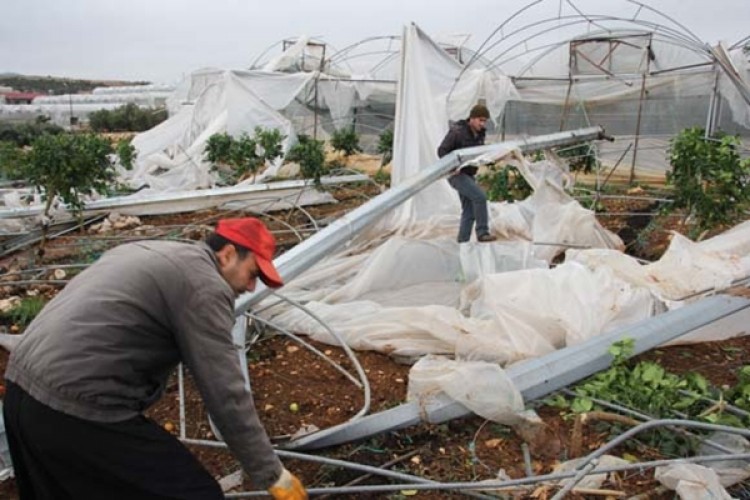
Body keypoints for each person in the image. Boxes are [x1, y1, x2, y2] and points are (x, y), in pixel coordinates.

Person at [3, 217, 307, 500]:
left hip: (21, 393)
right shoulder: (204, 286)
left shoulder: (151, 251)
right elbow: (226, 393)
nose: (251, 287)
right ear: (227, 254)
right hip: (74, 408)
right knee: (194, 493)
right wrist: (272, 474)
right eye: (253, 274)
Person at [437, 103, 498, 243]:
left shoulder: (480, 134)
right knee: (480, 197)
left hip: (469, 174)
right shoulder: (457, 132)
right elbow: (442, 150)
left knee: (469, 210)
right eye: (480, 120)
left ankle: (462, 242)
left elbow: (477, 153)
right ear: (472, 118)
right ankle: (482, 232)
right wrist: (452, 167)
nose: (482, 124)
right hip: (457, 175)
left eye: (484, 121)